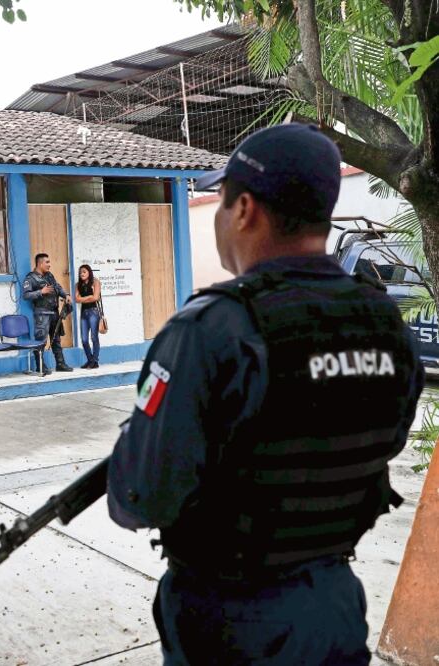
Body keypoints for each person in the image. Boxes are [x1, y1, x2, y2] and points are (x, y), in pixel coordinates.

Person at [105, 124, 424, 664]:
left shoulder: (212, 328)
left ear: (245, 209)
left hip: (231, 619)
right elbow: (382, 442)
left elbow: (142, 496)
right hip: (333, 603)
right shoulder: (384, 321)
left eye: (221, 202)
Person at [22, 253, 73, 374]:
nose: (49, 265)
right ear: (40, 263)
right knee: (41, 341)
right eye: (47, 262)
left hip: (54, 312)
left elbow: (57, 287)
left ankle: (60, 364)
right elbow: (26, 295)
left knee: (56, 339)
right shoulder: (31, 278)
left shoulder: (49, 275)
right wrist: (41, 291)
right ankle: (40, 366)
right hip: (42, 314)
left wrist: (66, 295)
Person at [74, 264, 102, 369]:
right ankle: (90, 360)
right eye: (80, 272)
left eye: (84, 272)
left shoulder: (95, 282)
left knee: (94, 337)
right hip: (84, 313)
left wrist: (84, 298)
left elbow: (95, 298)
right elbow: (76, 299)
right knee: (84, 339)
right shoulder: (77, 285)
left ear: (89, 272)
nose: (82, 274)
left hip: (93, 312)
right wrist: (89, 296)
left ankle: (95, 361)